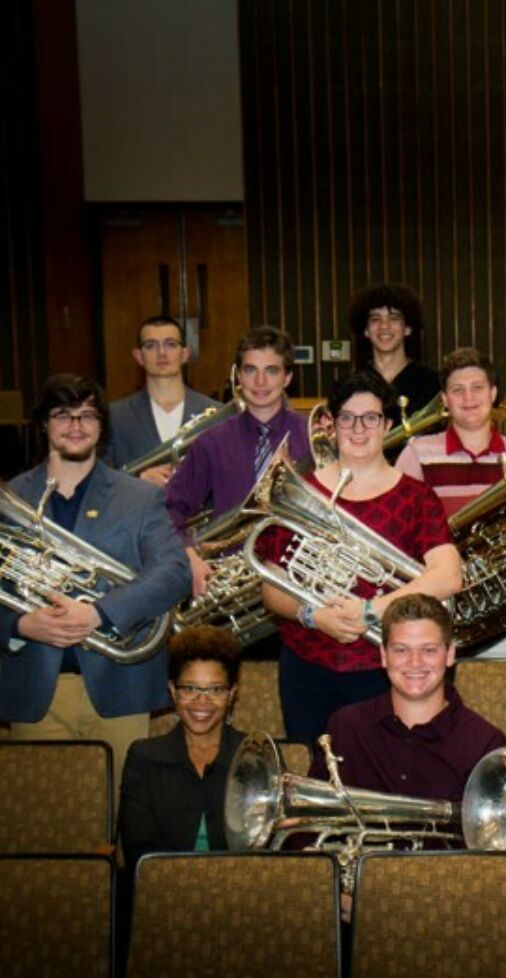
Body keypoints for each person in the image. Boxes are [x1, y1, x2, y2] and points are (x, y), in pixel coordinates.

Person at [0, 375, 191, 795]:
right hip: (36, 688)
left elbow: (174, 571)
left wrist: (99, 613)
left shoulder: (138, 496)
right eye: (62, 415)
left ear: (102, 425)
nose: (75, 425)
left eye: (87, 414)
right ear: (44, 425)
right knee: (44, 822)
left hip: (119, 686)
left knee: (128, 814)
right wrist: (19, 626)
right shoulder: (10, 499)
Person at [255, 371, 462, 743]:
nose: (359, 429)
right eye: (347, 418)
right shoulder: (302, 493)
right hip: (308, 666)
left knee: (383, 775)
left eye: (370, 418)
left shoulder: (416, 497)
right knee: (314, 774)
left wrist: (372, 609)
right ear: (330, 426)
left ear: (387, 425)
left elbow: (447, 575)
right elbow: (271, 588)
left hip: (382, 666)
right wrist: (313, 615)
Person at [310, 593, 506, 799]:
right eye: (401, 650)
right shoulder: (346, 727)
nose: (415, 662)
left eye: (429, 650)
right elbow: (313, 822)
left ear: (450, 655)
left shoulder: (486, 745)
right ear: (384, 656)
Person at [165, 326, 311, 596]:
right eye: (250, 370)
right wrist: (187, 554)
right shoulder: (211, 442)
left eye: (271, 370)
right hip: (233, 588)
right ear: (238, 376)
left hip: (299, 583)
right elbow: (171, 507)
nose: (260, 382)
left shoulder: (312, 437)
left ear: (288, 377)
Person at [118, 625, 245, 869]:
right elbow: (138, 850)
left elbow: (267, 850)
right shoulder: (144, 757)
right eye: (190, 688)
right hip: (161, 892)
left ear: (232, 695)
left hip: (239, 892)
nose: (202, 701)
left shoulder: (255, 754)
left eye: (215, 690)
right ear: (173, 691)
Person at [394, 347, 506, 517]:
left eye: (477, 388)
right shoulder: (417, 455)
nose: (468, 397)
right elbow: (398, 520)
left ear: (493, 393)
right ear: (445, 400)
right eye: (457, 390)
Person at [105, 315, 222, 484]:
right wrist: (137, 480)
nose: (161, 353)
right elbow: (98, 480)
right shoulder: (114, 417)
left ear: (185, 354)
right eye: (151, 345)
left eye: (170, 344)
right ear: (138, 356)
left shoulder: (217, 415)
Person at [349, 282, 441, 415]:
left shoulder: (432, 383)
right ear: (366, 330)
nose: (384, 326)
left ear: (408, 328)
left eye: (394, 318)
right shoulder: (351, 384)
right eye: (375, 319)